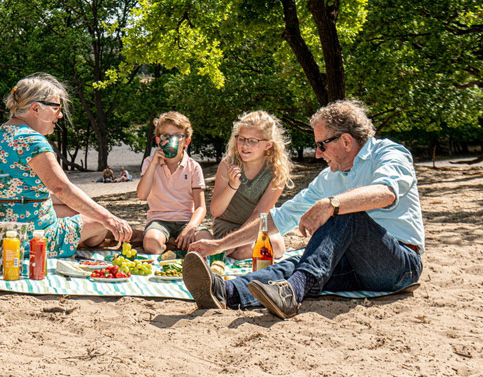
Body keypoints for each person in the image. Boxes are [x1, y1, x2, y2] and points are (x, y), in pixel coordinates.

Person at [183, 100, 424, 319]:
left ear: (347, 141)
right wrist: (220, 245)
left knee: (347, 213)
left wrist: (331, 204)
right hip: (355, 267)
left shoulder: (388, 154)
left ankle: (293, 292)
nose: (318, 153)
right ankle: (225, 292)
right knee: (297, 263)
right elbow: (279, 218)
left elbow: (385, 192)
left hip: (399, 266)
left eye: (322, 145)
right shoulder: (329, 177)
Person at [0, 73, 132, 257]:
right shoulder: (31, 141)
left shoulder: (1, 133)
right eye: (56, 108)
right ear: (35, 109)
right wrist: (109, 218)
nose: (60, 115)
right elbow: (60, 188)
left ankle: (102, 237)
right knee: (100, 221)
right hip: (27, 241)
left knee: (74, 209)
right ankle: (109, 238)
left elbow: (26, 190)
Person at [191, 111, 292, 259]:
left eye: (253, 141)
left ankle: (219, 245)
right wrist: (232, 186)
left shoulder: (277, 171)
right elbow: (216, 211)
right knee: (246, 251)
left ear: (268, 145)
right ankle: (209, 237)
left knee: (274, 247)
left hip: (255, 227)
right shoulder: (228, 164)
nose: (245, 145)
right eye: (242, 139)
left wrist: (238, 240)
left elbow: (260, 213)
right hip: (227, 225)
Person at [136, 112, 207, 254]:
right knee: (152, 243)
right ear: (158, 140)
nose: (171, 141)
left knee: (207, 241)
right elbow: (142, 195)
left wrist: (191, 227)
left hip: (186, 220)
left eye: (177, 136)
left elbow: (201, 207)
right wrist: (154, 163)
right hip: (159, 220)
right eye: (166, 136)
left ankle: (173, 243)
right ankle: (173, 245)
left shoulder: (193, 167)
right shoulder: (150, 163)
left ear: (186, 142)